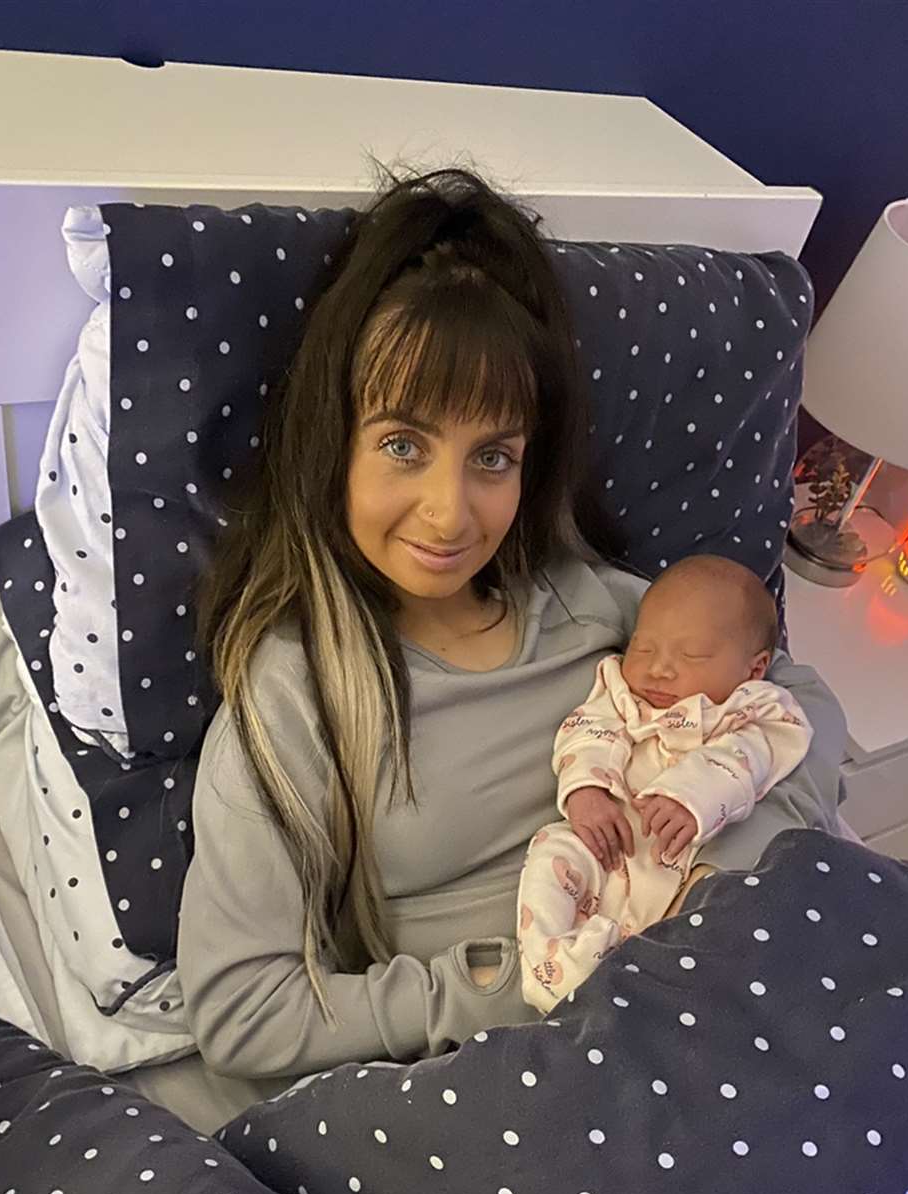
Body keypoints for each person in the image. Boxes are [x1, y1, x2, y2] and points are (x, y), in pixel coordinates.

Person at [177, 166, 847, 1080]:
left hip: (736, 964)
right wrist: (517, 980)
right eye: (403, 445)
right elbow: (241, 1015)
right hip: (544, 1051)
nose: (450, 514)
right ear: (333, 443)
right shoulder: (300, 693)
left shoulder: (581, 600)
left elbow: (797, 696)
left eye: (490, 457)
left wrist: (749, 864)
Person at [518, 555, 813, 1012]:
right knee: (549, 854)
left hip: (676, 869)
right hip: (604, 847)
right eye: (643, 647)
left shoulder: (755, 708)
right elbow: (588, 729)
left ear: (754, 669)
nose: (658, 670)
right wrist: (586, 791)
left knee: (723, 918)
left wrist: (691, 793)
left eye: (691, 655)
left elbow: (759, 751)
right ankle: (554, 971)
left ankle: (642, 991)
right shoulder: (620, 691)